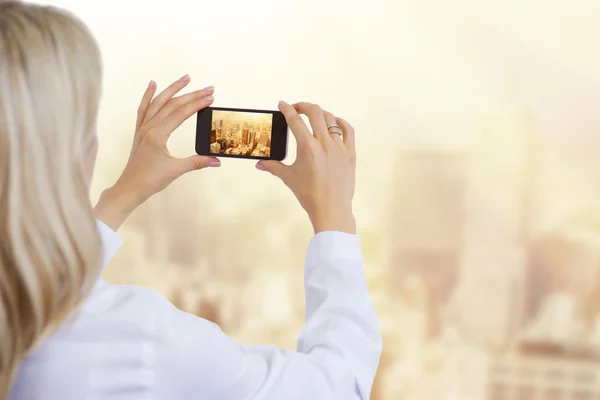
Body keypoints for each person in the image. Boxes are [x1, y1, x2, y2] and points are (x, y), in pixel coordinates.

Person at [0, 2, 382, 400]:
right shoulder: (142, 342)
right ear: (80, 152)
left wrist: (120, 199)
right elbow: (339, 386)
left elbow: (40, 291)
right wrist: (335, 217)